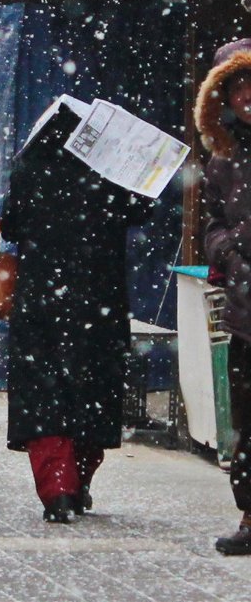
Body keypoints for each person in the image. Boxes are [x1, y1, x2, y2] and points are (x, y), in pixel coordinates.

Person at [0, 99, 153, 524]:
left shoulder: (30, 165)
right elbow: (141, 211)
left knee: (44, 396)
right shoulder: (110, 170)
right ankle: (79, 481)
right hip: (98, 304)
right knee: (93, 393)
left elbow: (11, 225)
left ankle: (58, 491)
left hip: (40, 305)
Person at [196, 38, 251, 556]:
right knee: (245, 423)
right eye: (239, 87)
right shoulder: (223, 159)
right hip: (245, 314)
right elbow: (212, 222)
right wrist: (229, 253)